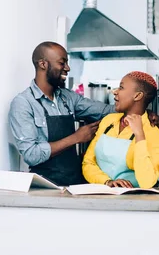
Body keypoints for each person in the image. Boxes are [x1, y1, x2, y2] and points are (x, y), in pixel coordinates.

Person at [9, 42, 112, 186]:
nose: (67, 68)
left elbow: (105, 111)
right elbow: (31, 154)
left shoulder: (68, 97)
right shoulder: (24, 103)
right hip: (44, 186)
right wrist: (76, 138)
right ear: (43, 64)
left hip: (75, 181)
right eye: (62, 63)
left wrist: (142, 110)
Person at [82, 71, 159, 189]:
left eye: (121, 87)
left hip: (132, 200)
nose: (115, 91)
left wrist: (139, 135)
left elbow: (147, 182)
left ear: (137, 96)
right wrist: (107, 182)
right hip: (101, 193)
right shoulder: (108, 121)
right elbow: (88, 163)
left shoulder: (152, 132)